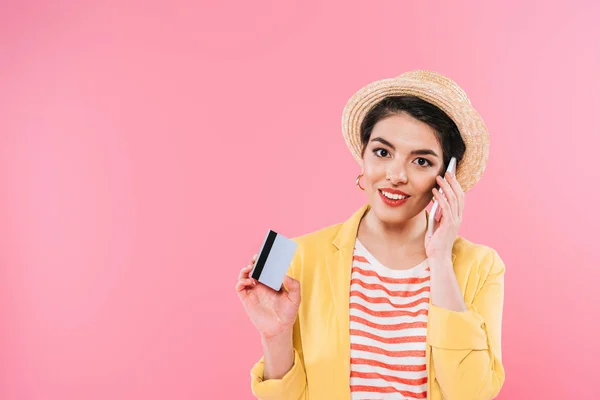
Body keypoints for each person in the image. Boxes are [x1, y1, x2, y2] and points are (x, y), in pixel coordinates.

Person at [236, 70, 506, 400]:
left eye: (421, 161)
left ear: (446, 177)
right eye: (382, 152)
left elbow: (471, 394)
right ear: (363, 156)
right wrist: (275, 335)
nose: (395, 175)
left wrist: (440, 259)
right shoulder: (303, 257)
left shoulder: (481, 267)